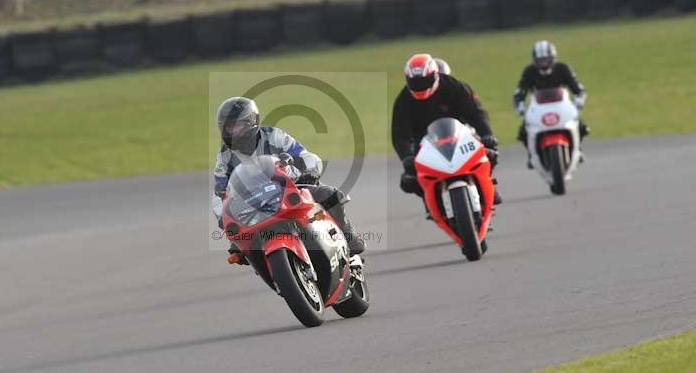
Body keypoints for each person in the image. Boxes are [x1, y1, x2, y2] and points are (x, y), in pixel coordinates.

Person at [213, 96, 366, 264]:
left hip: (290, 187)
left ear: (251, 121)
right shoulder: (223, 157)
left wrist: (309, 171)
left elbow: (305, 156)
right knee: (238, 247)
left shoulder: (274, 136)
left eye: (237, 126)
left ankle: (349, 237)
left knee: (329, 194)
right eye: (228, 128)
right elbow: (219, 192)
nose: (232, 132)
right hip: (254, 204)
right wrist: (222, 214)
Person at [391, 53, 502, 211]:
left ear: (435, 75)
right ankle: (428, 198)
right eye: (415, 82)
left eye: (423, 81)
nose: (420, 85)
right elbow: (399, 133)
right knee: (409, 180)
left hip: (459, 133)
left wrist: (487, 134)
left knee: (489, 153)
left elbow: (476, 112)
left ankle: (487, 182)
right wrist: (406, 156)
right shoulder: (403, 101)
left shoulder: (453, 86)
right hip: (424, 141)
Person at [512, 40, 589, 168]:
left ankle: (577, 149)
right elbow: (519, 92)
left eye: (546, 59)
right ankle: (532, 155)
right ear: (534, 60)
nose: (543, 63)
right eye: (540, 60)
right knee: (523, 131)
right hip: (538, 109)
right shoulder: (529, 72)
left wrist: (579, 102)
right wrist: (520, 107)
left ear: (553, 58)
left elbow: (579, 89)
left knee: (581, 126)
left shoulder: (563, 69)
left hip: (562, 107)